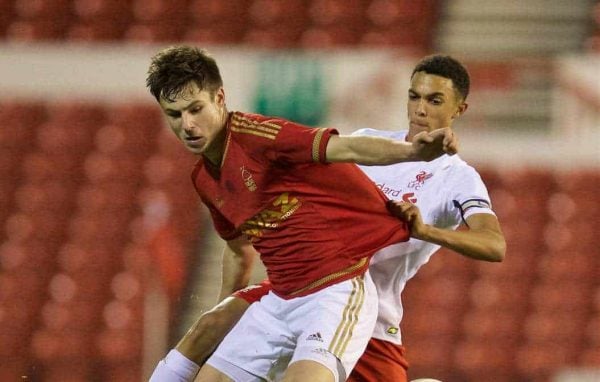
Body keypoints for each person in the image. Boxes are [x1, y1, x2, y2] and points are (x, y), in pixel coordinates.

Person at [149, 54, 505, 382]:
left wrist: (426, 231)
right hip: (299, 279)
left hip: (364, 302)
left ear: (460, 108)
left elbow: (493, 244)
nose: (420, 108)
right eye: (414, 96)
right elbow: (341, 152)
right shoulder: (371, 142)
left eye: (434, 100)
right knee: (212, 323)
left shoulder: (457, 178)